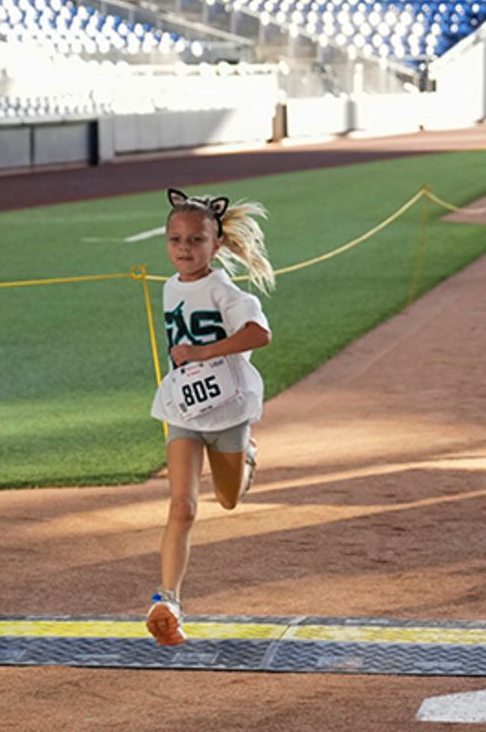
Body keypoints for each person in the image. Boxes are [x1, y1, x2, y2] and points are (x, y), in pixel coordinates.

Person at [144, 188, 276, 646]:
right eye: (176, 239)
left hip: (229, 411)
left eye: (196, 240)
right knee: (182, 506)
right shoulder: (168, 287)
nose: (184, 248)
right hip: (184, 409)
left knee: (228, 499)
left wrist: (204, 351)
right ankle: (168, 601)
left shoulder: (222, 288)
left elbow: (260, 333)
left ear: (216, 245)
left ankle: (248, 458)